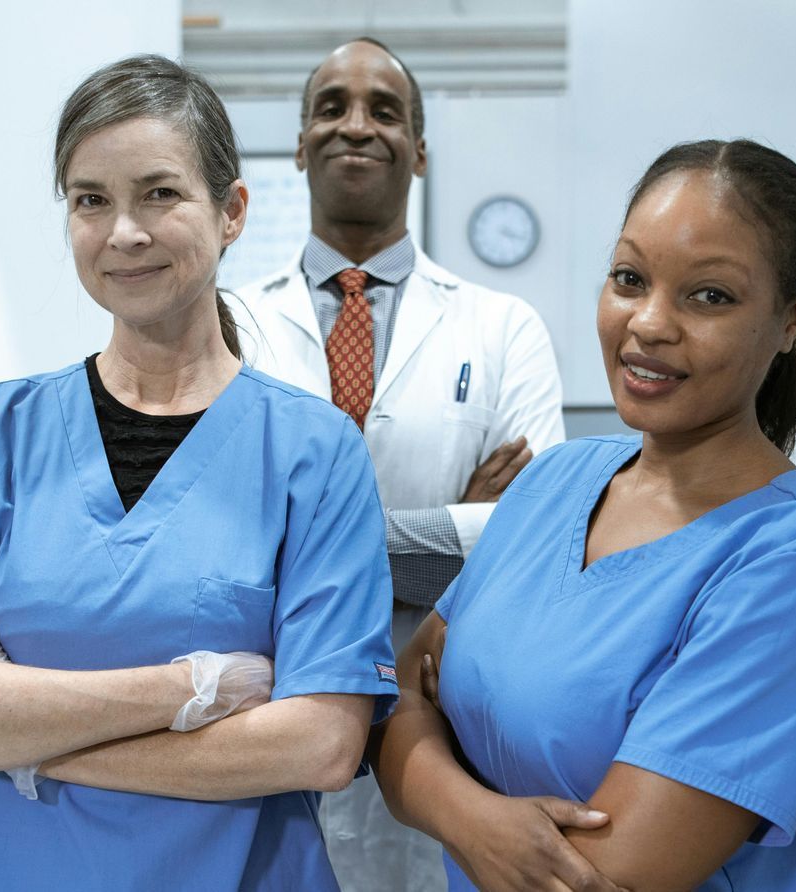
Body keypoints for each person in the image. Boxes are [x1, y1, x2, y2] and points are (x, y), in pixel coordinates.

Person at [0, 54, 399, 890]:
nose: (123, 231)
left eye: (159, 193)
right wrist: (191, 688)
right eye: (90, 200)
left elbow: (318, 743)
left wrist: (14, 728)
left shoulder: (311, 453)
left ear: (231, 210)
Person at [375, 140, 796, 892]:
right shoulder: (558, 480)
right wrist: (481, 825)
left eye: (711, 296)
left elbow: (603, 877)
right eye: (630, 278)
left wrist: (436, 779)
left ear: (794, 314)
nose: (649, 324)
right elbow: (397, 701)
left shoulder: (791, 563)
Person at [230, 38, 566, 890]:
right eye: (332, 106)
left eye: (385, 110)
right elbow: (220, 538)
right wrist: (452, 523)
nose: (357, 125)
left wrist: (309, 545)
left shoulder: (502, 326)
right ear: (301, 144)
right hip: (272, 705)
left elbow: (537, 541)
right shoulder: (230, 324)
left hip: (448, 707)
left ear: (418, 150)